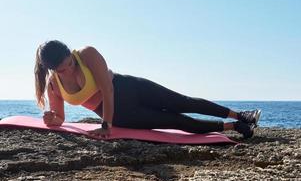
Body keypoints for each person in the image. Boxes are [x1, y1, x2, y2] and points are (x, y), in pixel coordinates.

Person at [34, 40, 261, 139]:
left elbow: (107, 88)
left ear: (70, 53)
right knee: (175, 121)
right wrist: (50, 118)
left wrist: (106, 125)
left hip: (127, 87)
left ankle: (241, 114)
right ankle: (235, 126)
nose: (70, 70)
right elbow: (60, 119)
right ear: (52, 70)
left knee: (183, 101)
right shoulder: (54, 86)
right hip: (121, 114)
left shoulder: (86, 54)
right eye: (63, 70)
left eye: (70, 63)